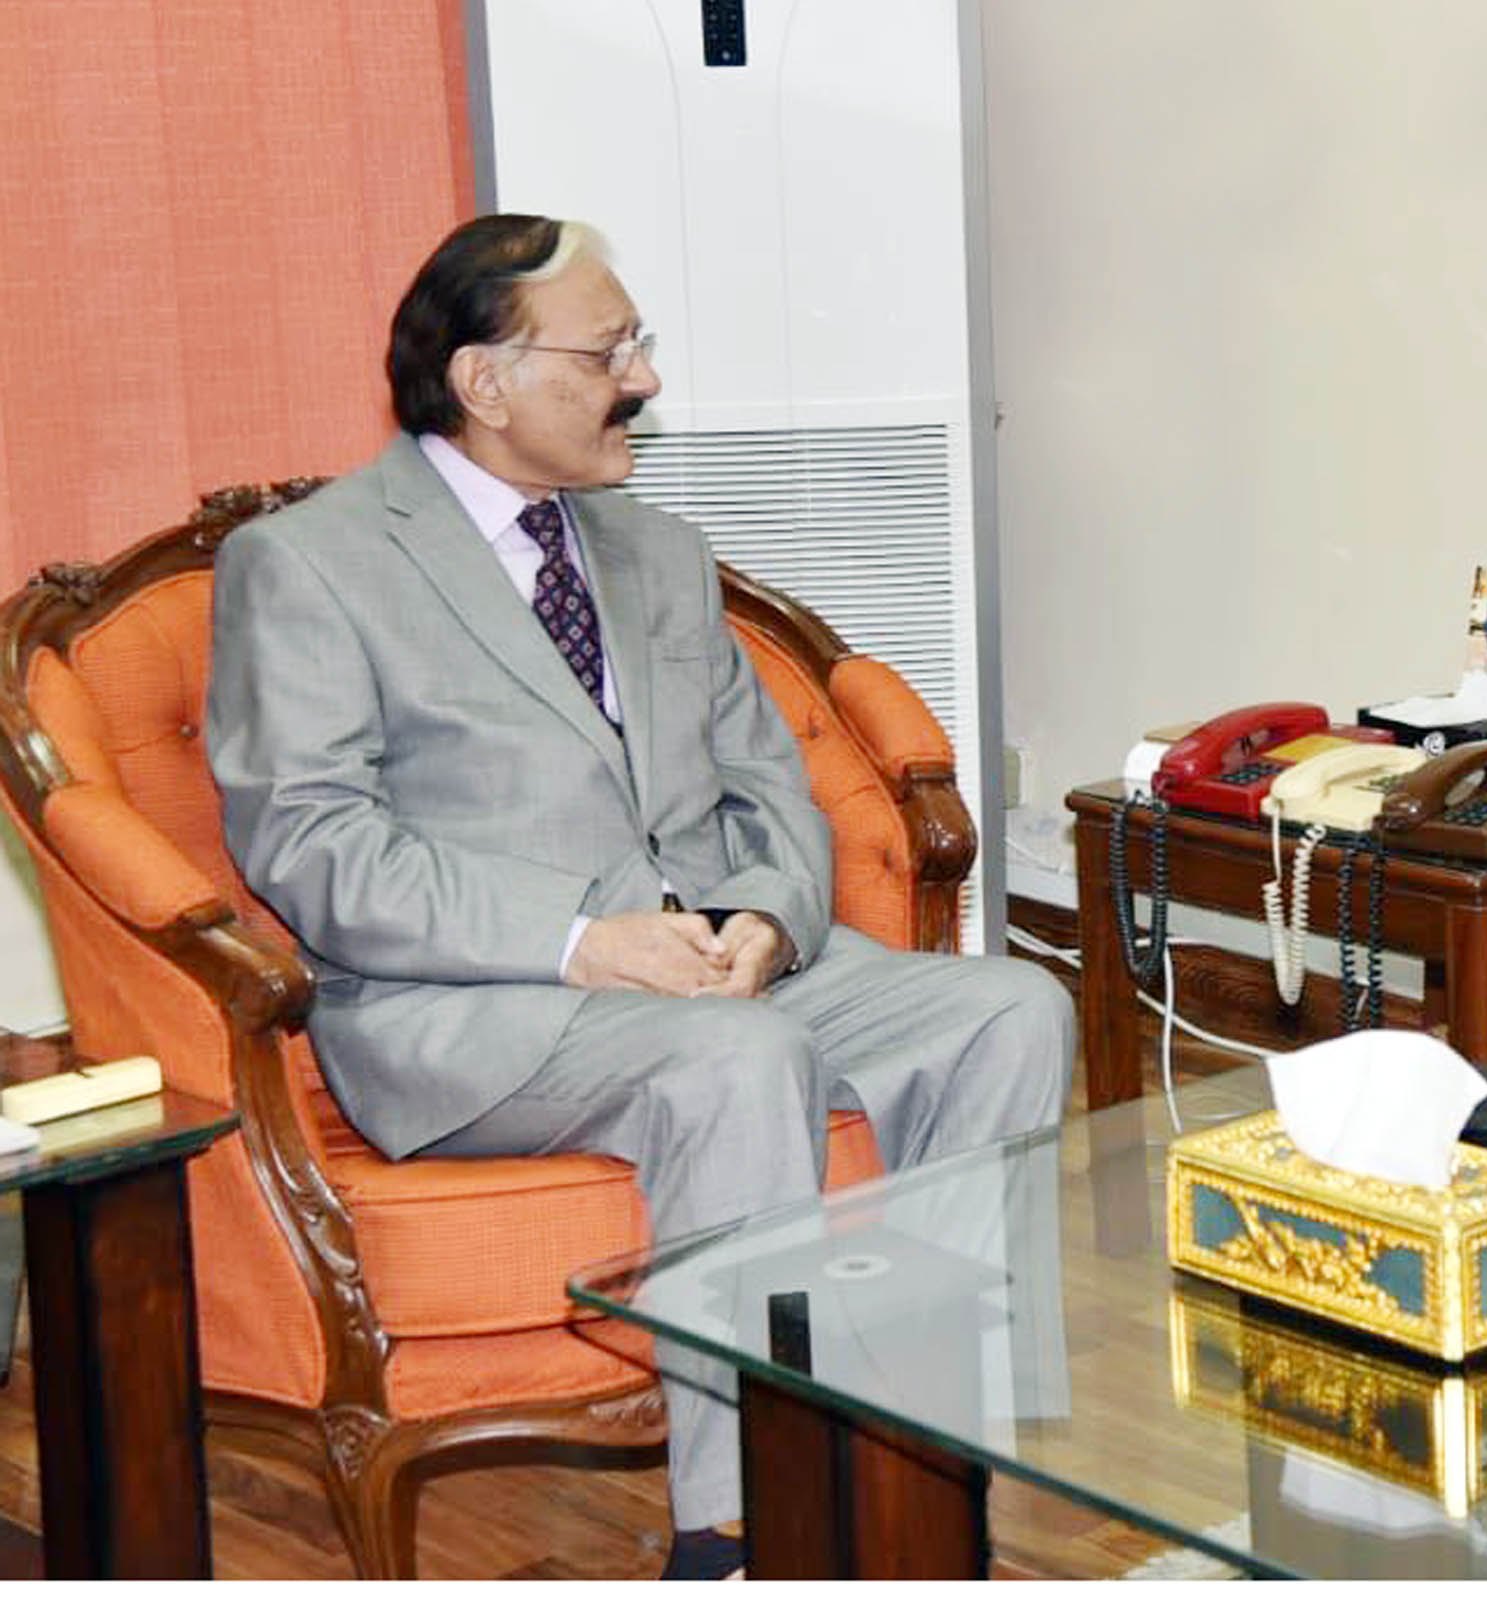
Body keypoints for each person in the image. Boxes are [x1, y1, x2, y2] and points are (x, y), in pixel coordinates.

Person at [205, 214, 1074, 1579]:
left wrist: (770, 919)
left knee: (1010, 1006)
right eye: (611, 351)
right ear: (487, 380)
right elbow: (310, 846)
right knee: (740, 1056)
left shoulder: (656, 549)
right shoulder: (312, 564)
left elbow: (771, 784)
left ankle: (910, 1450)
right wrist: (581, 944)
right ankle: (741, 1530)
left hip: (715, 967)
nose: (645, 379)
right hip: (481, 1003)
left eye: (638, 345)